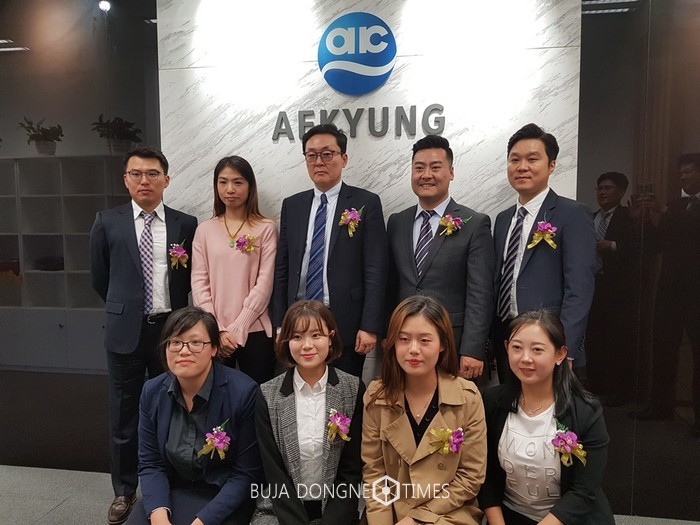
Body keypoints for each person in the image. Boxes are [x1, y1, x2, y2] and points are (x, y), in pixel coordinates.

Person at [90, 146, 198, 525]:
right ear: (126, 180)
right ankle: (124, 490)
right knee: (124, 414)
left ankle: (171, 481)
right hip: (125, 333)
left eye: (152, 174)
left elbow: (188, 278)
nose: (144, 181)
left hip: (171, 332)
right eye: (136, 174)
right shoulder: (108, 221)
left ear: (166, 180)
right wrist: (126, 308)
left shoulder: (186, 224)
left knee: (173, 408)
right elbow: (100, 278)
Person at [271, 123, 388, 377]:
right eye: (311, 155)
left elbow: (376, 268)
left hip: (346, 323)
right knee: (299, 391)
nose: (319, 162)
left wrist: (369, 326)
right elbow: (282, 269)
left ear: (343, 159)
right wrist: (280, 325)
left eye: (327, 154)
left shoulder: (366, 202)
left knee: (344, 392)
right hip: (297, 324)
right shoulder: (293, 205)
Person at [127, 306, 262, 525]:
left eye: (196, 342)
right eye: (175, 342)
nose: (184, 351)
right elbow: (151, 464)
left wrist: (202, 522)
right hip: (172, 492)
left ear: (214, 348)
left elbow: (246, 474)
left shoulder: (243, 393)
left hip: (223, 496)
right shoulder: (152, 392)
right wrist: (160, 517)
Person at [479, 310, 614, 525]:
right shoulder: (492, 402)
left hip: (569, 520)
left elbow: (583, 491)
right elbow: (486, 476)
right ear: (506, 348)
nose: (525, 358)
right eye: (517, 348)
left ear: (560, 355)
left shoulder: (585, 411)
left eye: (537, 350)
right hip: (511, 517)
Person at [362, 296, 486, 525]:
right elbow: (374, 474)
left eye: (425, 340)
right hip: (394, 510)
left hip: (448, 512)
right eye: (404, 339)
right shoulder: (377, 396)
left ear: (443, 344)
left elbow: (470, 477)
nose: (413, 350)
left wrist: (416, 519)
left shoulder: (467, 397)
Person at [386, 135, 495, 382]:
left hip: (452, 343)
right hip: (405, 345)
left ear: (451, 172)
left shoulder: (474, 223)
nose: (426, 175)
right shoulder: (397, 222)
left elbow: (480, 293)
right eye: (419, 168)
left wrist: (472, 349)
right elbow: (390, 284)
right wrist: (387, 335)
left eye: (435, 167)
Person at [493, 123, 596, 380]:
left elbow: (579, 288)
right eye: (514, 160)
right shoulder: (503, 219)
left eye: (532, 159)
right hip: (508, 341)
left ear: (551, 165)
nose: (522, 167)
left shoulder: (572, 214)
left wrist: (565, 348)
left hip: (550, 344)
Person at [251, 300, 364, 525]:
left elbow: (351, 471)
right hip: (281, 510)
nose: (307, 345)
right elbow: (274, 472)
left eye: (316, 335)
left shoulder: (352, 389)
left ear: (330, 338)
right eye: (297, 337)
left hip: (336, 510)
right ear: (286, 342)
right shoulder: (268, 394)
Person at [192, 156, 277, 383]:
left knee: (258, 396)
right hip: (214, 334)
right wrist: (217, 329)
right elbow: (199, 285)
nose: (230, 189)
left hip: (256, 331)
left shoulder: (266, 228)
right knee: (216, 397)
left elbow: (265, 283)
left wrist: (239, 327)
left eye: (238, 182)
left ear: (250, 186)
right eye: (223, 182)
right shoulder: (204, 230)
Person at [635, 153, 700, 437]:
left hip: (697, 293)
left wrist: (664, 211)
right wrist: (645, 220)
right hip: (670, 290)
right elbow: (658, 245)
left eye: (688, 172)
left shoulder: (673, 209)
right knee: (663, 350)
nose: (682, 176)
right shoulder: (676, 206)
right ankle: (660, 406)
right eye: (681, 172)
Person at [585, 172, 640, 404]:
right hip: (593, 285)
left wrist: (613, 245)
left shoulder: (629, 216)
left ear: (621, 192)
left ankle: (621, 390)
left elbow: (641, 247)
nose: (602, 192)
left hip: (619, 288)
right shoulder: (591, 217)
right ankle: (596, 385)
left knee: (618, 339)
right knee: (594, 337)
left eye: (607, 188)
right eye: (599, 188)